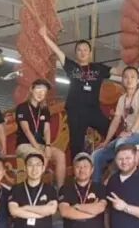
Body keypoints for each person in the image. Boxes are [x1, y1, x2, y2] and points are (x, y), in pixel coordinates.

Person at [38, 26, 115, 155]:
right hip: (76, 110)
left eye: (85, 50)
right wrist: (44, 36)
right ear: (76, 53)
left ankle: (117, 161)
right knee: (76, 144)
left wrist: (135, 72)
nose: (82, 53)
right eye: (79, 50)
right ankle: (77, 166)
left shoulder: (98, 68)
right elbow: (58, 52)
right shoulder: (71, 66)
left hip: (93, 109)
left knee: (111, 134)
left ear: (90, 52)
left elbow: (119, 72)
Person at [91, 66, 139, 184]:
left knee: (121, 143)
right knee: (97, 155)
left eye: (132, 77)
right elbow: (115, 121)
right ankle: (96, 188)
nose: (129, 80)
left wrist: (131, 131)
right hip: (127, 137)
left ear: (138, 80)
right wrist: (106, 141)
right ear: (122, 80)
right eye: (126, 77)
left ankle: (113, 180)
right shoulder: (122, 99)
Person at [15, 78, 66, 184]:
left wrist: (48, 146)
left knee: (60, 155)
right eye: (38, 89)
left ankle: (60, 189)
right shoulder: (22, 108)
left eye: (44, 91)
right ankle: (36, 188)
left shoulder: (44, 109)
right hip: (25, 144)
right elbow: (26, 130)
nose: (41, 93)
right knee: (40, 156)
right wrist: (38, 148)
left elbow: (47, 130)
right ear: (31, 89)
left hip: (41, 145)